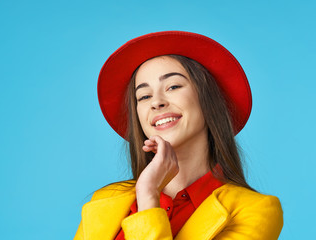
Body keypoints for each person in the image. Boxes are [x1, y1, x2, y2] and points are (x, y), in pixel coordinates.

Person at [74, 31, 284, 240]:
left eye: (173, 86)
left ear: (207, 100)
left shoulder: (256, 210)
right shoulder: (104, 201)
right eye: (144, 96)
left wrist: (148, 196)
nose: (156, 102)